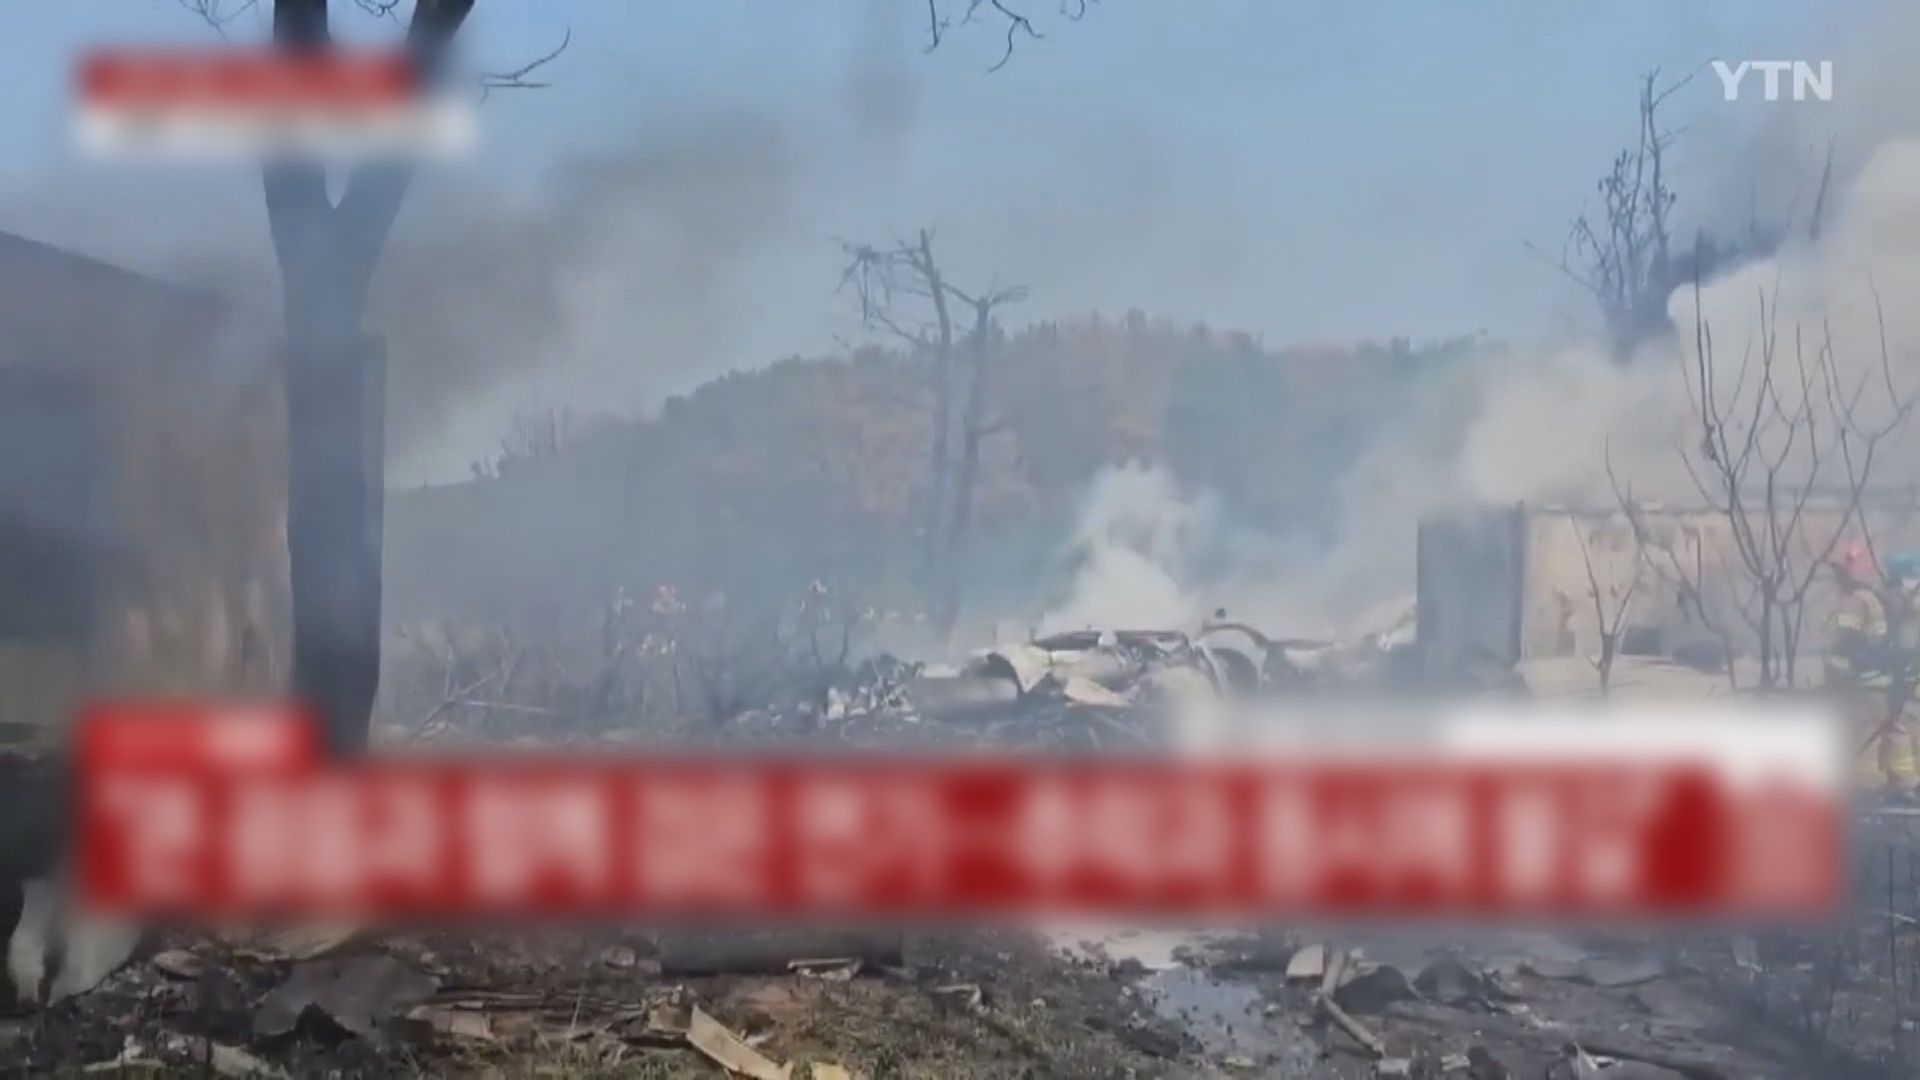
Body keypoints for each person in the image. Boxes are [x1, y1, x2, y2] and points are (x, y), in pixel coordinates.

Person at [1827, 541, 1915, 795]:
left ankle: (1877, 787)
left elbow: (1850, 641)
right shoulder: (1867, 599)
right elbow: (1853, 641)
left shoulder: (1862, 599)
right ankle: (1893, 786)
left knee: (1877, 733)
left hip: (1870, 682)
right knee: (1887, 732)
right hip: (1874, 681)